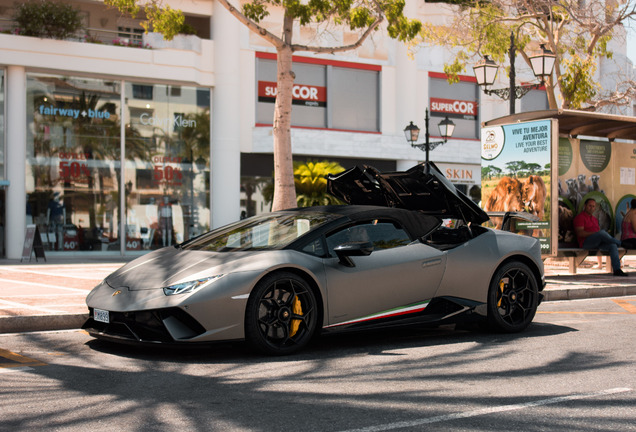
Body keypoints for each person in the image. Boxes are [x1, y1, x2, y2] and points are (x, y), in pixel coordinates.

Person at [574, 198, 627, 276]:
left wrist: (598, 234)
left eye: (593, 206)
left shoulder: (594, 219)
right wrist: (595, 233)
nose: (591, 208)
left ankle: (617, 270)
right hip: (586, 243)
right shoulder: (580, 217)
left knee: (613, 245)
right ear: (585, 206)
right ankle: (622, 243)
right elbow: (580, 233)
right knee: (601, 233)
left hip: (597, 242)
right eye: (589, 206)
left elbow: (598, 233)